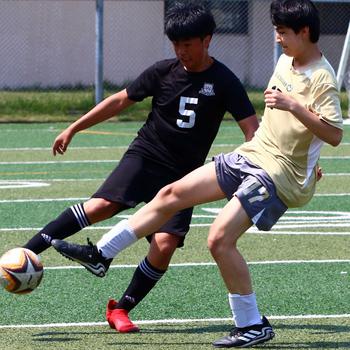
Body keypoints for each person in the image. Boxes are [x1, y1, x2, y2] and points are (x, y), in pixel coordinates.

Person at [51, 0, 343, 347]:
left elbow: (334, 134)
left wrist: (296, 115)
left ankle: (251, 324)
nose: (278, 39)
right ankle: (101, 255)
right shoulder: (286, 61)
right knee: (170, 195)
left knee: (219, 239)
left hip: (279, 174)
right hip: (253, 155)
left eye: (283, 32)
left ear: (304, 32)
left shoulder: (322, 77)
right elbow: (284, 127)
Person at [23, 2, 259, 334]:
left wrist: (262, 163)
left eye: (188, 44)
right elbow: (120, 100)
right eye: (176, 44)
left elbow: (252, 129)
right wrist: (74, 127)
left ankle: (120, 308)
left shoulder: (224, 81)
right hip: (146, 156)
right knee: (102, 206)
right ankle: (27, 251)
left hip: (185, 176)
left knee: (163, 246)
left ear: (207, 40)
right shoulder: (163, 71)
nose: (181, 52)